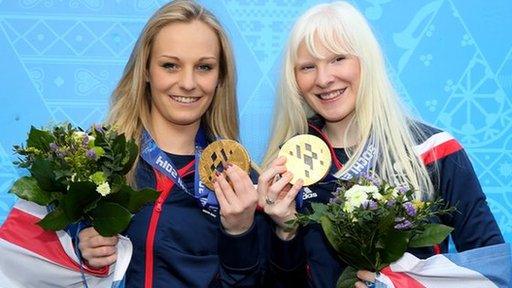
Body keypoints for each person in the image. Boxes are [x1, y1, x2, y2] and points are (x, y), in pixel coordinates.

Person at [258, 1, 505, 287]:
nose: (324, 79)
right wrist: (285, 232)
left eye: (338, 59)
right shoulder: (288, 166)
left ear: (367, 61)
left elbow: (493, 272)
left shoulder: (434, 150)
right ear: (294, 78)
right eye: (308, 66)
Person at [78, 1, 267, 287]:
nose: (188, 83)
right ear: (145, 70)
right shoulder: (99, 160)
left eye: (204, 67)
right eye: (170, 65)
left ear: (220, 78)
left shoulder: (241, 180)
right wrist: (77, 247)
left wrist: (239, 233)